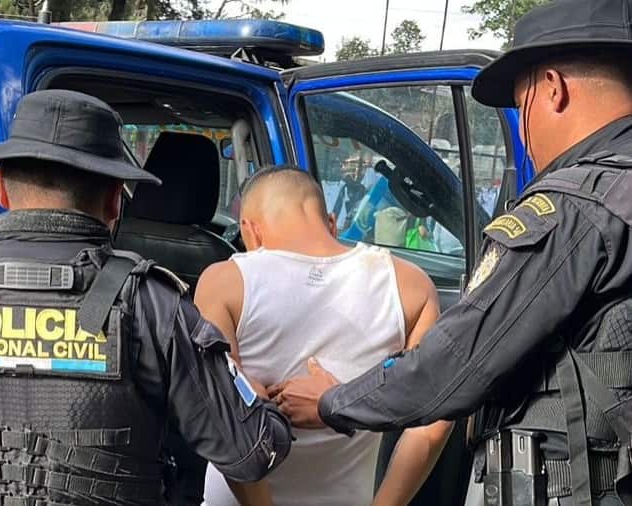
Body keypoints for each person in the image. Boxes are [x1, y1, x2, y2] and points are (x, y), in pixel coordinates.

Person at [269, 1, 632, 504]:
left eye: (520, 103)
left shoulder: (573, 207)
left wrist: (331, 402)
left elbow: (455, 363)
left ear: (553, 87)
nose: (524, 135)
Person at [0, 90, 291, 506]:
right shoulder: (153, 305)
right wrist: (271, 410)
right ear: (116, 201)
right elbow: (252, 453)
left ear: (3, 188)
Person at [196, 167, 452, 506]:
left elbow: (224, 419)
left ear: (249, 231)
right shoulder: (410, 287)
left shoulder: (223, 283)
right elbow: (433, 417)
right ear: (331, 223)